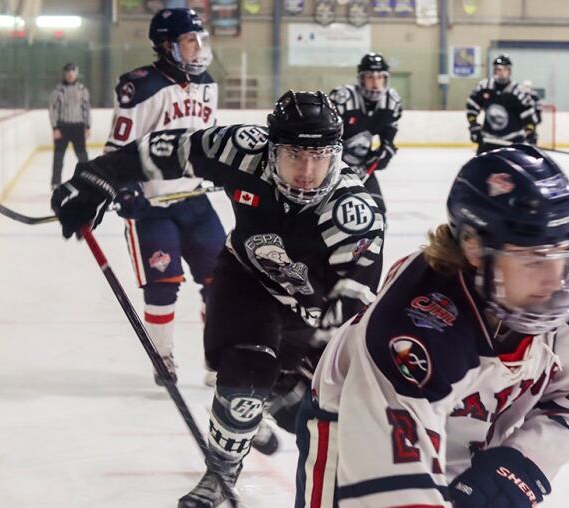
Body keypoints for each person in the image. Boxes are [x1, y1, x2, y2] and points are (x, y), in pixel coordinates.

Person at [50, 90, 385, 507]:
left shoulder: (354, 211)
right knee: (246, 376)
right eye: (294, 156)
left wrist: (305, 372)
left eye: (319, 157)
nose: (306, 171)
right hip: (247, 279)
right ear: (270, 148)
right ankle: (222, 470)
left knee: (307, 404)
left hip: (316, 309)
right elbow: (167, 148)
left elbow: (353, 309)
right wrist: (97, 177)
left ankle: (274, 402)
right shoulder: (240, 149)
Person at [294, 145, 569, 507]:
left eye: (564, 252)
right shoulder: (412, 328)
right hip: (358, 419)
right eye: (533, 259)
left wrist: (525, 462)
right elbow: (393, 494)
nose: (556, 281)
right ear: (474, 249)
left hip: (474, 433)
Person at [104, 8, 225, 390]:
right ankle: (163, 356)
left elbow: (207, 141)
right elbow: (117, 147)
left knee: (220, 282)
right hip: (153, 208)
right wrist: (123, 187)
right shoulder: (139, 86)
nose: (198, 47)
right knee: (163, 283)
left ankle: (218, 359)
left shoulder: (206, 84)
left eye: (199, 39)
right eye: (190, 40)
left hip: (196, 202)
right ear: (167, 46)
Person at [328, 53, 402, 218]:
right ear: (361, 79)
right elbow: (325, 137)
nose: (375, 83)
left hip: (362, 168)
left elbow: (388, 138)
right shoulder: (343, 98)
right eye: (370, 77)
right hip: (332, 169)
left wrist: (384, 152)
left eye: (380, 78)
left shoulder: (391, 102)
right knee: (333, 214)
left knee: (377, 213)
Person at [466, 55, 538, 154]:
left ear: (509, 71)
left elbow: (528, 116)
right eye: (498, 69)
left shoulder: (518, 92)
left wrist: (530, 132)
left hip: (513, 141)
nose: (501, 73)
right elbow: (471, 108)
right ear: (494, 71)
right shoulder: (484, 87)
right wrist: (474, 126)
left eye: (505, 69)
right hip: (488, 141)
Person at [49, 63, 91, 189]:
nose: (70, 75)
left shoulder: (82, 89)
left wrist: (87, 126)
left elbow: (86, 108)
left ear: (76, 73)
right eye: (68, 72)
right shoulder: (58, 90)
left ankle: (87, 181)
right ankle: (56, 183)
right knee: (58, 157)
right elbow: (52, 109)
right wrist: (55, 127)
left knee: (83, 157)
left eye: (73, 72)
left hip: (78, 127)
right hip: (62, 127)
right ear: (65, 74)